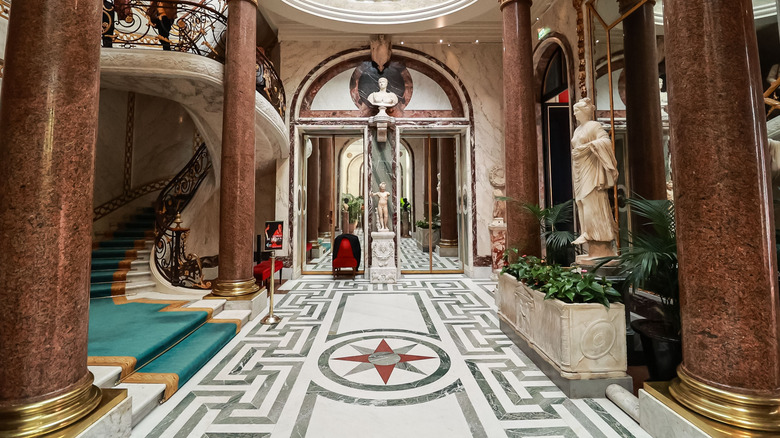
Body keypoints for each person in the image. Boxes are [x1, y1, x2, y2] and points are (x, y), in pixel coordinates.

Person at [570, 98, 618, 253]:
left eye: (577, 110)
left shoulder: (594, 126)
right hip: (579, 167)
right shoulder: (578, 130)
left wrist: (589, 146)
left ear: (584, 112)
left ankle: (597, 235)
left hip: (591, 167)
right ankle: (586, 232)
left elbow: (605, 140)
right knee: (580, 201)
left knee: (591, 199)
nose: (575, 113)